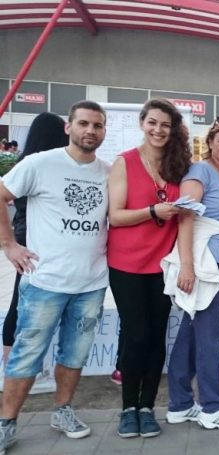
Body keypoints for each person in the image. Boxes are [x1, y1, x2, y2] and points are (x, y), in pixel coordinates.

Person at [0, 101, 110, 453]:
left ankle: (62, 411)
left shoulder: (108, 173)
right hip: (45, 282)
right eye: (84, 123)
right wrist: (9, 245)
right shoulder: (40, 163)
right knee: (26, 355)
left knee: (74, 355)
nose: (90, 131)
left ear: (104, 131)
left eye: (97, 125)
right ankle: (6, 423)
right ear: (68, 127)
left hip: (91, 284)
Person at [106, 98, 191, 438]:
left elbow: (187, 215)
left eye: (165, 125)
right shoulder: (124, 162)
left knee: (157, 338)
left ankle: (147, 407)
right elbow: (115, 216)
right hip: (126, 264)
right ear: (142, 123)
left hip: (162, 266)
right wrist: (154, 211)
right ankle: (128, 408)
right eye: (152, 122)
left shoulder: (179, 165)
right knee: (137, 335)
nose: (158, 130)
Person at [162, 116, 219, 431]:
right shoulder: (200, 171)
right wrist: (188, 266)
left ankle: (180, 404)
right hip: (203, 266)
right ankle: (213, 407)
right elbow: (186, 217)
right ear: (210, 143)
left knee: (191, 335)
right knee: (211, 337)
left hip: (218, 266)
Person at [1, 112, 68, 395]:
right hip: (35, 244)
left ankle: (12, 366)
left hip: (27, 240)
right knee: (25, 304)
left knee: (22, 301)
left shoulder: (25, 162)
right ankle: (15, 370)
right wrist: (9, 245)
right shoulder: (41, 166)